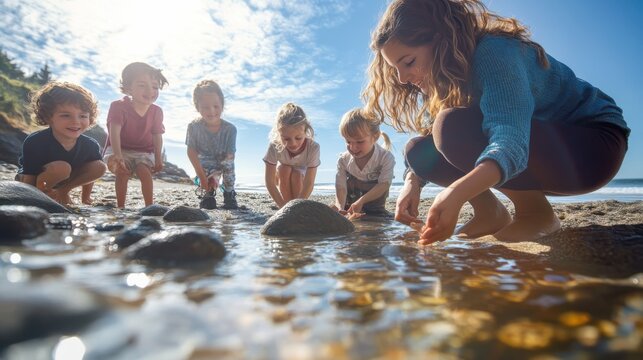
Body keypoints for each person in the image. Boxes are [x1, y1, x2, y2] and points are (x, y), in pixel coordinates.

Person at [364, 0, 629, 244]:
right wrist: (412, 183)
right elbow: (429, 145)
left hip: (594, 147)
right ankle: (490, 213)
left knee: (451, 127)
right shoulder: (454, 78)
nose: (401, 78)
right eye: (394, 69)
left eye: (408, 62)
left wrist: (457, 193)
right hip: (547, 150)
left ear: (441, 39)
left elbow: (509, 140)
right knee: (419, 150)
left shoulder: (494, 52)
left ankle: (535, 214)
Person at [16, 81, 106, 205]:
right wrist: (27, 198)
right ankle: (41, 195)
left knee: (99, 166)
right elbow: (29, 175)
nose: (75, 121)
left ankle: (62, 191)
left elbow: (90, 175)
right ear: (48, 117)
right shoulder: (35, 141)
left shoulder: (90, 145)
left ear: (90, 118)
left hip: (64, 181)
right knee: (62, 168)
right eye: (66, 115)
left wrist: (86, 198)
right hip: (33, 178)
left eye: (83, 116)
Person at [103, 62, 167, 208]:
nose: (150, 90)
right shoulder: (118, 106)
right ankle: (120, 206)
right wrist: (118, 156)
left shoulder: (157, 111)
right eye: (142, 85)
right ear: (128, 88)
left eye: (155, 87)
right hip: (120, 148)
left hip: (144, 151)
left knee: (144, 172)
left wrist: (158, 158)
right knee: (122, 172)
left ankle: (150, 207)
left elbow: (157, 136)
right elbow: (114, 132)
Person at [186, 79, 238, 210]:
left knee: (228, 166)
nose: (211, 111)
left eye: (216, 106)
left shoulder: (230, 129)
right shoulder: (193, 127)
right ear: (197, 107)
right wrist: (203, 178)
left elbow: (230, 156)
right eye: (205, 107)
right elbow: (191, 152)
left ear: (222, 105)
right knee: (207, 180)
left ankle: (229, 193)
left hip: (224, 160)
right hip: (204, 163)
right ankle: (208, 194)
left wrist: (220, 177)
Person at [333, 108, 395, 217]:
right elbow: (341, 186)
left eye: (360, 141)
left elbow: (384, 184)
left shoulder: (385, 157)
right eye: (348, 141)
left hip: (375, 204)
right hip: (350, 202)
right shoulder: (343, 160)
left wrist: (362, 201)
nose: (353, 147)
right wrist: (340, 207)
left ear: (374, 137)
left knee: (377, 218)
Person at [263, 102, 320, 208]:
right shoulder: (274, 146)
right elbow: (270, 182)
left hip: (301, 178)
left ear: (306, 131)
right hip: (280, 176)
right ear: (279, 134)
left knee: (296, 174)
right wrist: (282, 207)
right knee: (284, 168)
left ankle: (296, 207)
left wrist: (299, 206)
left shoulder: (313, 147)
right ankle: (286, 206)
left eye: (298, 138)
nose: (293, 143)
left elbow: (309, 183)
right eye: (286, 139)